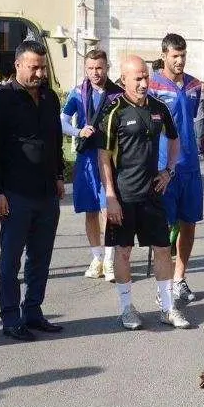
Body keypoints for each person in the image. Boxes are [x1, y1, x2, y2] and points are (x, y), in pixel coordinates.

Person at [97, 55, 191, 330]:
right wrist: (110, 196)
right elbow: (103, 156)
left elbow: (175, 140)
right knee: (123, 253)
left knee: (163, 250)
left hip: (153, 194)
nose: (142, 83)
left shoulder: (159, 108)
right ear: (123, 80)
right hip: (124, 196)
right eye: (136, 78)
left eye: (145, 77)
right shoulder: (114, 111)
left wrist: (169, 171)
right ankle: (127, 309)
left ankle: (167, 308)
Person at [0, 40, 65, 342]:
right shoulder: (0, 101)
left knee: (40, 258)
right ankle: (10, 317)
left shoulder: (50, 99)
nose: (40, 73)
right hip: (14, 195)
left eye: (43, 67)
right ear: (17, 65)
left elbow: (55, 140)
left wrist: (58, 175)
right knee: (11, 259)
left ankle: (33, 311)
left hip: (46, 194)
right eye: (34, 67)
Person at [147, 33, 202, 303]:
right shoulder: (153, 85)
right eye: (175, 56)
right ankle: (164, 285)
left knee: (188, 224)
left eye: (183, 55)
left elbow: (190, 121)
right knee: (163, 228)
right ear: (164, 55)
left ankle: (180, 278)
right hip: (163, 168)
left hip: (190, 166)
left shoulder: (194, 85)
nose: (179, 60)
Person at [61, 49, 123, 282]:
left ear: (107, 67)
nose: (95, 73)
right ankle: (97, 258)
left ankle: (109, 259)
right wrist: (79, 131)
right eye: (90, 68)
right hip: (86, 158)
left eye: (99, 68)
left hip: (110, 158)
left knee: (109, 209)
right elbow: (62, 121)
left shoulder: (118, 94)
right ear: (85, 69)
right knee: (90, 210)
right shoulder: (78, 92)